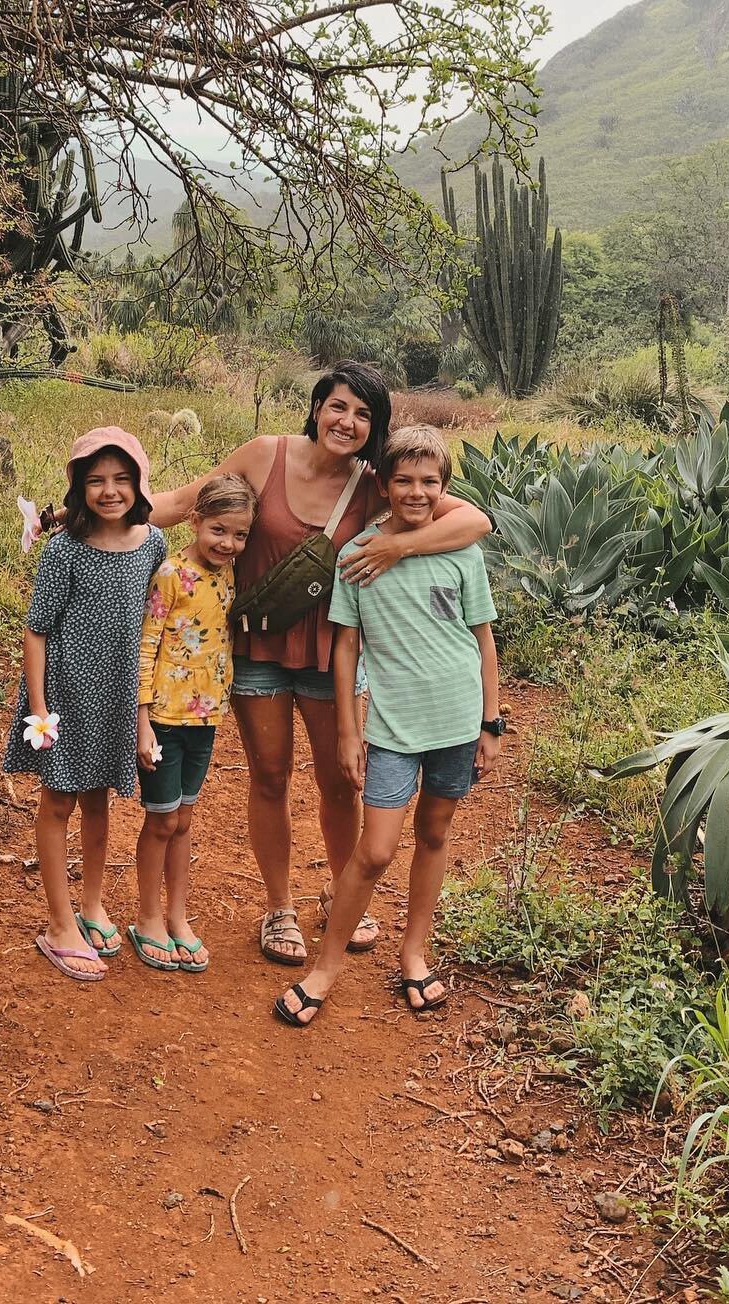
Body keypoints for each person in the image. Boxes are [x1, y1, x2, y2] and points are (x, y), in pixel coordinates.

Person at [144, 362, 491, 967]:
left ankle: (340, 891)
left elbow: (472, 519)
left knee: (341, 777)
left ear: (374, 429)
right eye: (338, 407)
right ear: (315, 407)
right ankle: (279, 907)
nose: (347, 422)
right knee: (270, 775)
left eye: (363, 414)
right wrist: (91, 513)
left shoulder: (374, 482)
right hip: (258, 649)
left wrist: (397, 544)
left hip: (334, 652)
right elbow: (181, 502)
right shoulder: (262, 456)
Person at [273, 425, 502, 1028]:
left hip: (457, 718)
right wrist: (348, 730)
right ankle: (325, 967)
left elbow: (482, 637)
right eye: (404, 480)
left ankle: (414, 952)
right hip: (394, 728)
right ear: (383, 483)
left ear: (444, 488)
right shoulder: (358, 555)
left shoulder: (461, 552)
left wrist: (490, 721)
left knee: (434, 831)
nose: (417, 492)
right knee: (373, 851)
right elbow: (345, 648)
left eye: (430, 482)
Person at [3, 428, 166, 982]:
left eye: (122, 479)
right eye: (95, 480)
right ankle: (58, 920)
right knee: (57, 803)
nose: (110, 490)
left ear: (140, 484)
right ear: (78, 489)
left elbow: (155, 620)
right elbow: (37, 632)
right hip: (62, 701)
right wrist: (39, 711)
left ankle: (91, 904)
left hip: (118, 698)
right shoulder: (64, 549)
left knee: (100, 803)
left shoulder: (154, 544)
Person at [128, 473, 258, 973]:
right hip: (162, 717)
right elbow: (145, 646)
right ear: (196, 521)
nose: (228, 543)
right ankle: (148, 917)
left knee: (183, 819)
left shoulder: (228, 575)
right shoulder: (170, 574)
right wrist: (140, 722)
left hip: (205, 718)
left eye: (240, 535)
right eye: (219, 531)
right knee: (161, 819)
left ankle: (178, 917)